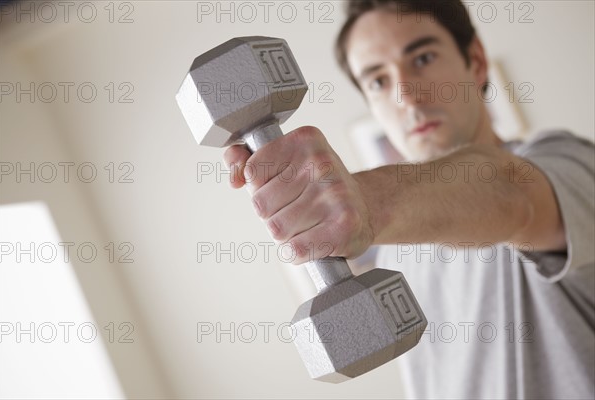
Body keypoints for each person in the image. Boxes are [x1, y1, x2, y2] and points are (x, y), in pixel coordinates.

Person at [224, 0, 594, 398]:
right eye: (378, 81)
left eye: (423, 58)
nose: (406, 95)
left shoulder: (567, 163)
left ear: (477, 62)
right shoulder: (395, 256)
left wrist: (366, 203)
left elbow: (510, 193)